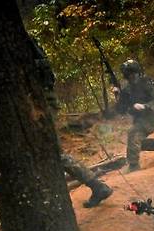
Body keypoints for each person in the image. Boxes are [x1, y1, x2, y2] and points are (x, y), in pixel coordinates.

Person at [30, 38, 113, 208]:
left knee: (54, 153)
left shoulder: (18, 43)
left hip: (40, 103)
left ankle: (98, 186)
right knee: (50, 154)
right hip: (40, 102)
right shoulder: (28, 42)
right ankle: (97, 187)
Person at [113, 59, 154, 172]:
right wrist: (118, 95)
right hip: (139, 118)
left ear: (138, 73)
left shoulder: (147, 83)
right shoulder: (127, 89)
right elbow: (121, 110)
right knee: (137, 142)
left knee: (133, 134)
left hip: (152, 116)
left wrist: (145, 106)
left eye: (133, 74)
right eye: (128, 76)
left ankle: (133, 165)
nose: (131, 77)